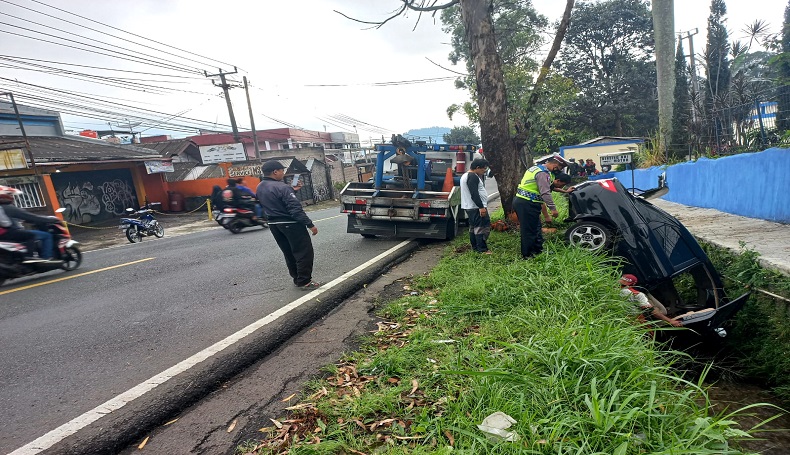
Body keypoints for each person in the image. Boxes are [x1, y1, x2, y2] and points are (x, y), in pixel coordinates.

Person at [256, 160, 320, 289]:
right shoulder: (282, 187)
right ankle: (305, 281)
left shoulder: (260, 186)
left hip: (274, 225)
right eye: (281, 171)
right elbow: (295, 209)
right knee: (304, 252)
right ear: (275, 172)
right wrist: (310, 225)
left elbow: (275, 201)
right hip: (291, 224)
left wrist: (293, 191)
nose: (283, 173)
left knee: (289, 252)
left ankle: (297, 279)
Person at [513, 155, 567, 259]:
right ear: (555, 165)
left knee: (536, 228)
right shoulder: (543, 173)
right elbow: (545, 192)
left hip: (529, 203)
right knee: (528, 230)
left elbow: (549, 187)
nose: (559, 170)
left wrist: (565, 191)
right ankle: (528, 255)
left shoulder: (538, 169)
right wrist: (553, 209)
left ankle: (537, 250)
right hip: (527, 203)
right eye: (560, 168)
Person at [0, 186, 62, 263]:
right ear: (5, 196)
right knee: (46, 235)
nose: (12, 196)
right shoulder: (9, 208)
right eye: (10, 194)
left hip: (4, 235)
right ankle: (45, 258)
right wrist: (51, 219)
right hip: (12, 232)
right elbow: (31, 217)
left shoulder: (3, 208)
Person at [460, 158, 491, 254]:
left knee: (473, 227)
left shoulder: (465, 175)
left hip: (470, 206)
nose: (484, 171)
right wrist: (481, 207)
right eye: (483, 169)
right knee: (481, 227)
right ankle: (482, 249)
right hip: (475, 207)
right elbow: (474, 194)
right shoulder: (472, 176)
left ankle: (475, 247)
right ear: (477, 168)